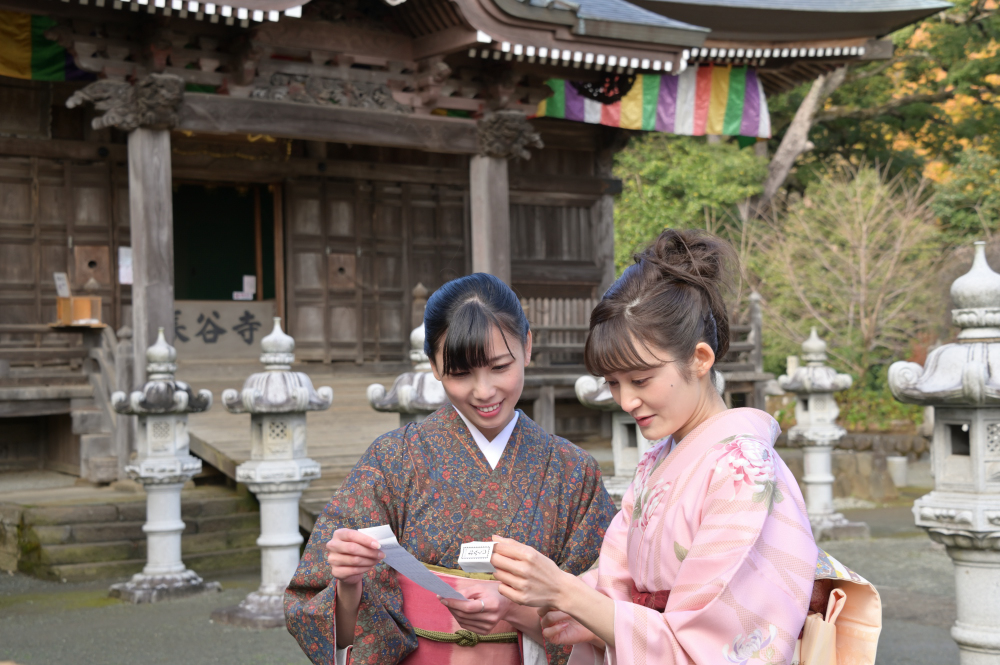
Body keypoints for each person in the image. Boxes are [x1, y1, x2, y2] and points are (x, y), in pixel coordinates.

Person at [490, 229, 826, 664]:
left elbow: (716, 646)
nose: (626, 401)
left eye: (641, 380)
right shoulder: (657, 462)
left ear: (700, 359)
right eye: (613, 383)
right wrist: (564, 609)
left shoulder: (745, 470)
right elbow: (615, 585)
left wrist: (568, 592)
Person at [285, 272, 616, 665]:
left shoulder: (572, 472)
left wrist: (515, 611)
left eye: (499, 367)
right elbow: (320, 615)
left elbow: (608, 613)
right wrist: (349, 584)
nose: (484, 391)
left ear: (527, 347)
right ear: (434, 366)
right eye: (460, 374)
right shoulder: (393, 460)